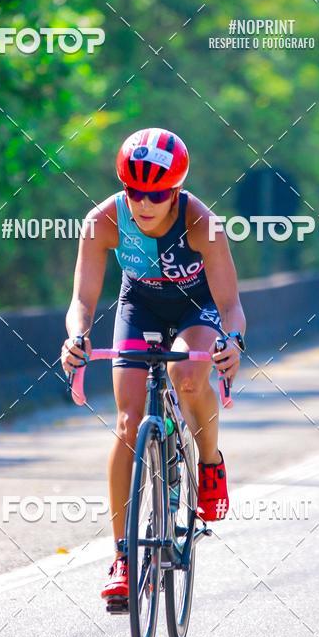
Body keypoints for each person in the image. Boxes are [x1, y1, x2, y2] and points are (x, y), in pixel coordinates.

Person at [61, 128, 246, 606]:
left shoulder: (204, 224)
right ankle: (123, 556)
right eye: (134, 192)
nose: (144, 203)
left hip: (195, 308)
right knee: (126, 423)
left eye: (157, 194)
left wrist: (232, 342)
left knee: (188, 376)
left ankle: (208, 463)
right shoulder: (103, 221)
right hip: (138, 305)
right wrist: (76, 337)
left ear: (176, 191)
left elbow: (231, 305)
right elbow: (82, 299)